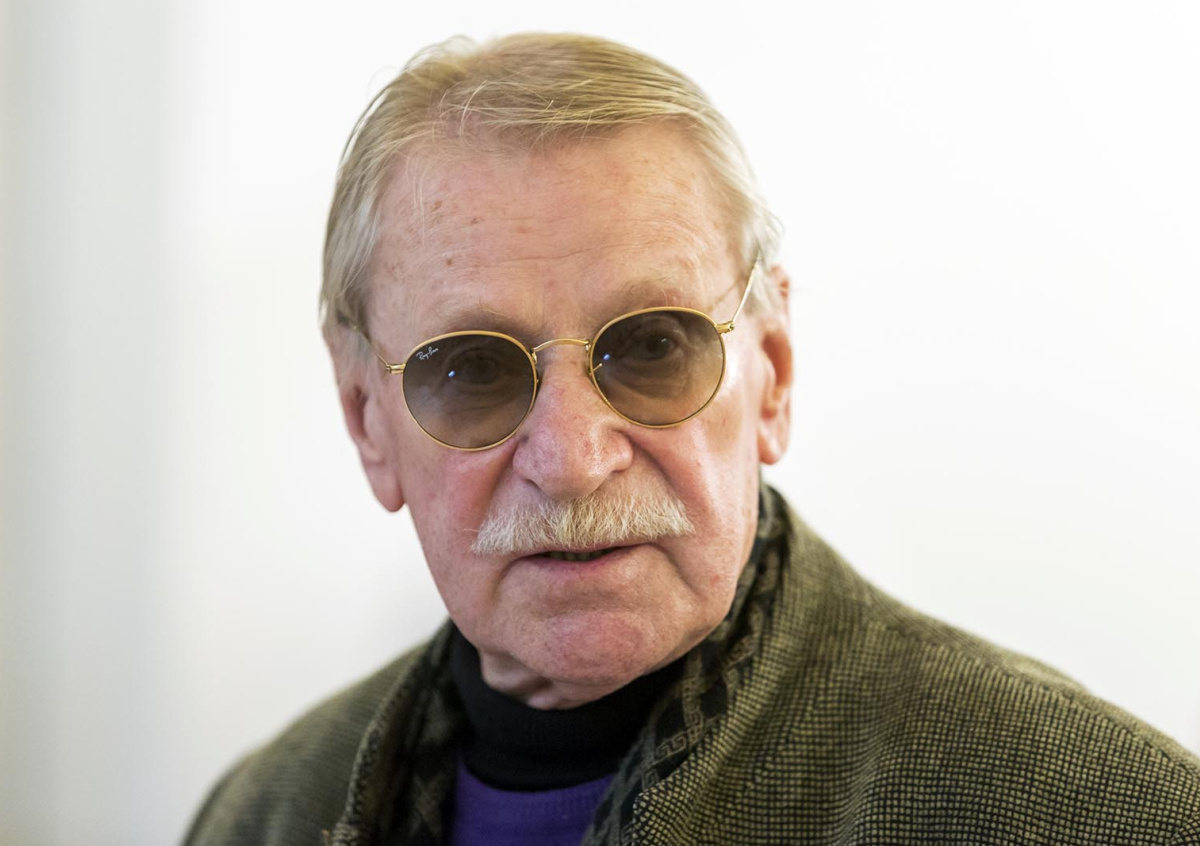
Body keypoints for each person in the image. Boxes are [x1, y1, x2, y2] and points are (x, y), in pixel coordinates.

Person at [184, 32, 1200, 846]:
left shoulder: (1103, 815)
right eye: (473, 372)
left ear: (773, 377)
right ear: (367, 421)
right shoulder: (262, 814)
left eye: (653, 347)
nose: (572, 461)